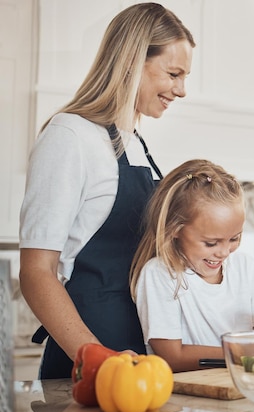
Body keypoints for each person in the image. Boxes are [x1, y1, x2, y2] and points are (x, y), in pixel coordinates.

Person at [18, 3, 195, 379]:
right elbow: (36, 271)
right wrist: (96, 357)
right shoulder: (70, 136)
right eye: (174, 74)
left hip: (144, 354)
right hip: (91, 356)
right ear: (133, 61)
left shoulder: (136, 145)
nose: (181, 90)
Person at [130, 159, 254, 372]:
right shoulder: (159, 274)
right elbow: (171, 358)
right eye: (211, 243)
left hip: (241, 387)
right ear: (175, 229)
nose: (223, 252)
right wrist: (245, 352)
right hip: (187, 394)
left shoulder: (244, 266)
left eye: (234, 238)